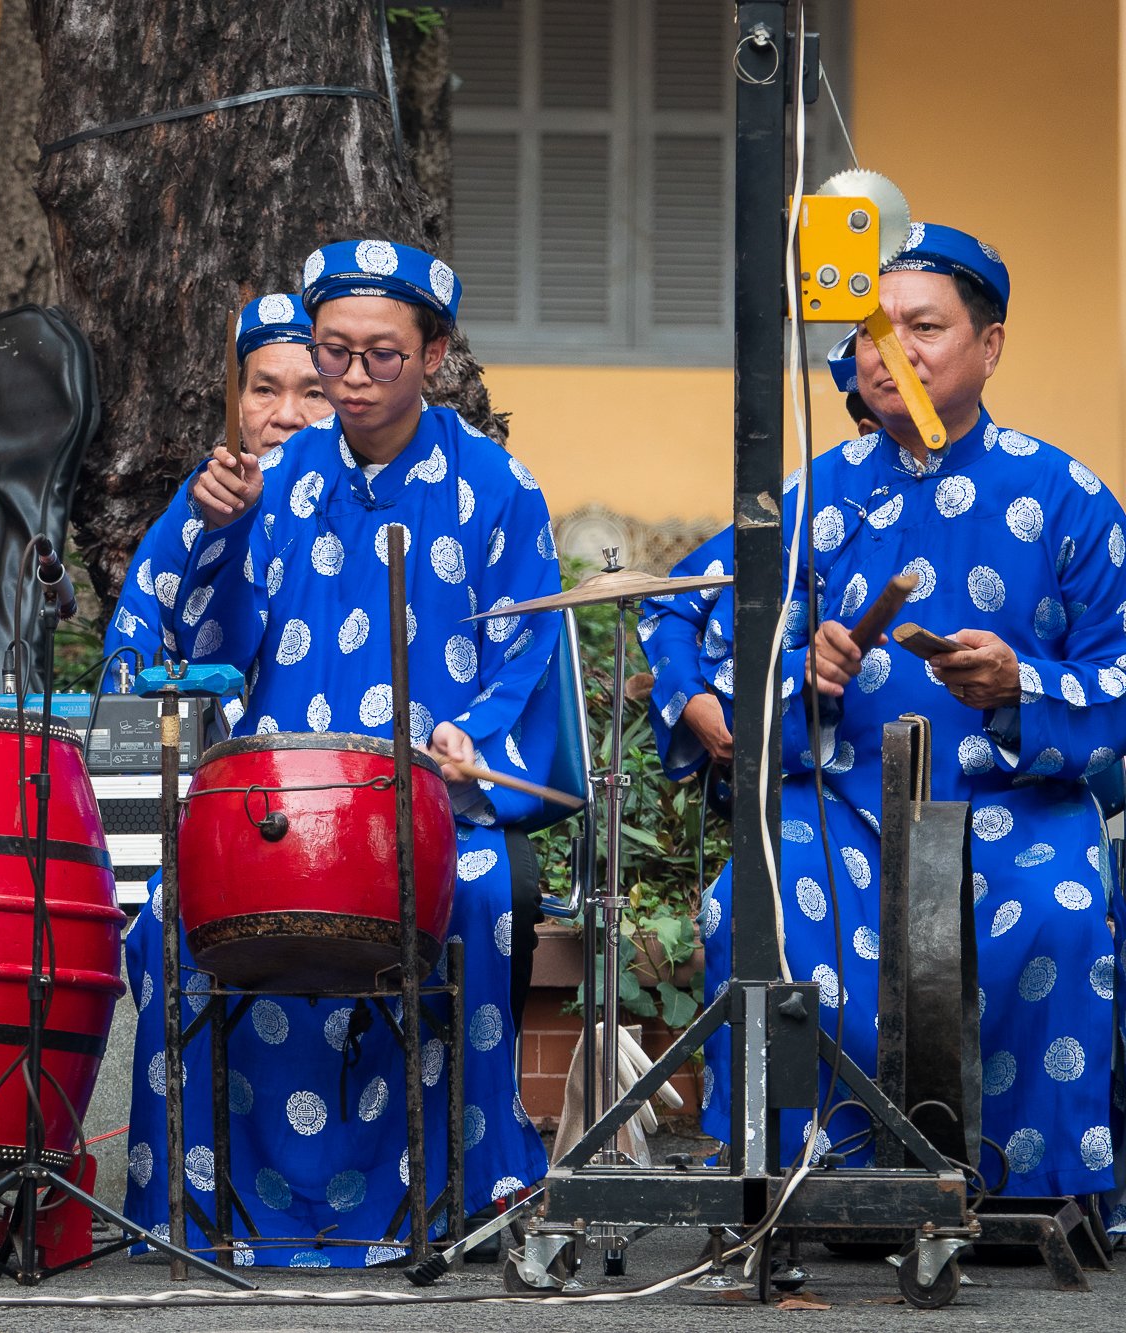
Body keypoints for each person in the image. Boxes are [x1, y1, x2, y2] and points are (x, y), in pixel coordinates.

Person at [640, 224, 1126, 1199]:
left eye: (922, 326)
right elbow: (674, 604)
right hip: (844, 810)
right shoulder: (812, 495)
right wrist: (755, 683)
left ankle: (1039, 1198)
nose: (890, 350)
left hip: (1013, 813)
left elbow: (1117, 672)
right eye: (871, 329)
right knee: (757, 910)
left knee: (1059, 917)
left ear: (987, 346)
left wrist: (1021, 686)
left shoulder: (1066, 495)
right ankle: (799, 1188)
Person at [119, 240, 559, 1266]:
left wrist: (472, 743)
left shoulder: (498, 488)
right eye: (331, 355)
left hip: (430, 810)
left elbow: (525, 657)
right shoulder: (261, 481)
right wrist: (211, 534)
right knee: (170, 913)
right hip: (270, 813)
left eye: (380, 356)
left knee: (483, 898)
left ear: (435, 354)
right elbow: (190, 657)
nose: (350, 381)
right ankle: (203, 1207)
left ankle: (458, 1199)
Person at [100, 292, 328, 678]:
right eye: (265, 390)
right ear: (237, 404)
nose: (288, 416)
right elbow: (132, 677)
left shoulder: (366, 510)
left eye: (315, 393)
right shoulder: (194, 509)